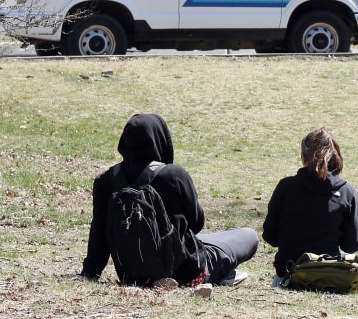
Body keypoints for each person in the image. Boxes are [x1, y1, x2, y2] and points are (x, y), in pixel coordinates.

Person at [80, 114, 258, 292]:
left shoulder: (106, 180)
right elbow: (197, 223)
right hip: (185, 272)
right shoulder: (173, 175)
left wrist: (90, 272)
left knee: (208, 240)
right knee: (248, 235)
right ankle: (221, 272)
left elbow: (99, 232)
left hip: (132, 275)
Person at [262, 127, 358, 295]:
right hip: (332, 277)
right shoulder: (347, 192)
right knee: (350, 266)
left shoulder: (285, 187)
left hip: (289, 278)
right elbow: (352, 244)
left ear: (303, 158)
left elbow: (270, 236)